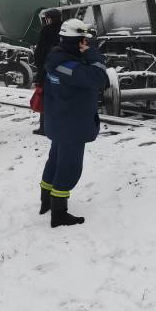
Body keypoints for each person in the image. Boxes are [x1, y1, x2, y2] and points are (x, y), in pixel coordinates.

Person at [39, 18, 108, 227]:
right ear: (77, 41)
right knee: (69, 167)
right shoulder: (67, 66)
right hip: (71, 124)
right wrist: (92, 53)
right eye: (83, 39)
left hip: (61, 121)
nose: (85, 42)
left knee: (55, 160)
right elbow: (98, 78)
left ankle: (46, 201)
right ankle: (59, 214)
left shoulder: (56, 59)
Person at [32, 8, 62, 135]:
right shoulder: (65, 30)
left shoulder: (47, 30)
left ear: (50, 18)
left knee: (45, 98)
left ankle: (44, 127)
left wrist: (39, 67)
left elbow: (40, 51)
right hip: (62, 70)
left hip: (47, 69)